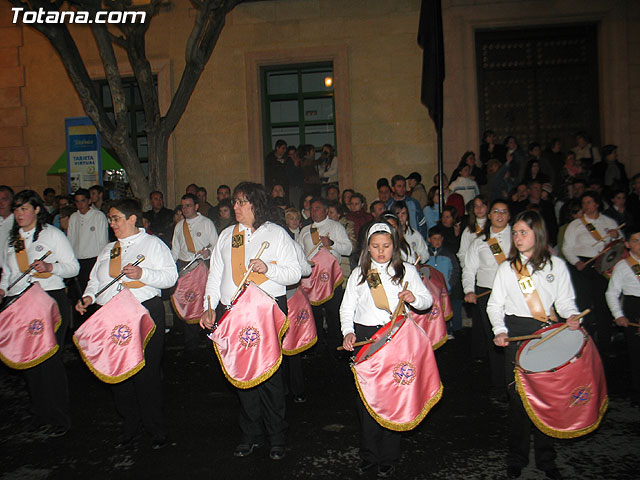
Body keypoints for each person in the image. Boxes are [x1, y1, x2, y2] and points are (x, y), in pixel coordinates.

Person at [200, 182, 301, 460]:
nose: (235, 207)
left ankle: (277, 437)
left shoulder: (276, 234)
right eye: (234, 202)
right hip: (233, 312)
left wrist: (268, 268)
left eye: (242, 202)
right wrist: (209, 308)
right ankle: (250, 434)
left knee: (270, 376)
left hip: (266, 311)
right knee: (241, 373)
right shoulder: (227, 235)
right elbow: (215, 275)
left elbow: (294, 274)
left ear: (257, 204)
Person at [76, 198, 178, 449]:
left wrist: (142, 274)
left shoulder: (153, 244)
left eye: (116, 218)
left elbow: (170, 277)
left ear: (132, 218)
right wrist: (89, 296)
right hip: (113, 316)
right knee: (119, 372)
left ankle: (155, 427)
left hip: (143, 313)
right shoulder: (109, 249)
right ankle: (129, 425)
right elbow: (96, 279)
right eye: (110, 219)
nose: (112, 224)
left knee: (146, 373)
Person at [487, 210, 581, 480]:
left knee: (546, 398)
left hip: (547, 335)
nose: (517, 237)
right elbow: (495, 305)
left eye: (523, 232)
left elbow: (565, 302)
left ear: (537, 234)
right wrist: (500, 330)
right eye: (515, 233)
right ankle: (516, 457)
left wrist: (571, 315)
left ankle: (546, 457)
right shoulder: (507, 268)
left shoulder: (556, 266)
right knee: (517, 399)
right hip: (517, 333)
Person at [340, 221, 432, 478]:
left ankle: (389, 456)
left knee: (393, 396)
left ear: (395, 246)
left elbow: (427, 301)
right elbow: (347, 308)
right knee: (367, 399)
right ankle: (369, 455)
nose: (381, 251)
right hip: (368, 338)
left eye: (386, 246)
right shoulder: (359, 273)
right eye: (376, 246)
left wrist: (415, 299)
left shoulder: (408, 272)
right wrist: (348, 331)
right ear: (368, 248)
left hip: (396, 337)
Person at [0, 190, 79, 436]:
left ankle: (59, 416)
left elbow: (72, 267)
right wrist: (2, 289)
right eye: (16, 209)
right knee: (29, 359)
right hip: (20, 302)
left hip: (48, 300)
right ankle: (40, 412)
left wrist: (49, 266)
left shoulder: (52, 235)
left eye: (24, 208)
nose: (19, 214)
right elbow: (6, 271)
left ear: (36, 209)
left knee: (49, 360)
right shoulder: (12, 239)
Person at [561, 191, 618, 355]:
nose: (585, 206)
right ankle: (583, 346)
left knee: (603, 306)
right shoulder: (576, 224)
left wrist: (615, 236)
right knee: (582, 306)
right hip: (582, 266)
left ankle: (605, 345)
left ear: (597, 204)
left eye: (589, 202)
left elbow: (620, 246)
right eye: (584, 203)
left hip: (603, 266)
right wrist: (576, 262)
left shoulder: (609, 222)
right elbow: (567, 247)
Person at [463, 199, 511, 386]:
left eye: (504, 211)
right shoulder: (480, 242)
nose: (500, 215)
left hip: (514, 294)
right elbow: (469, 269)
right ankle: (500, 385)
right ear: (489, 215)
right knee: (495, 338)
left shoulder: (518, 237)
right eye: (496, 211)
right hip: (487, 294)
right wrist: (469, 290)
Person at [299, 198, 352, 350]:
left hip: (331, 278)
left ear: (326, 210)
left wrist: (331, 243)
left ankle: (336, 345)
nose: (313, 211)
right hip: (311, 280)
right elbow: (300, 253)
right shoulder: (305, 230)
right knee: (314, 314)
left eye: (317, 208)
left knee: (333, 313)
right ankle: (317, 345)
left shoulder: (336, 227)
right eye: (311, 209)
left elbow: (348, 249)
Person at [171, 193, 218, 351]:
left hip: (201, 267)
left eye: (188, 205)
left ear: (196, 206)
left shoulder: (206, 223)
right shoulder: (179, 226)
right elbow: (175, 251)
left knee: (202, 301)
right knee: (187, 301)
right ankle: (190, 341)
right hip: (185, 268)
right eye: (183, 206)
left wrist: (208, 252)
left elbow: (216, 245)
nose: (185, 209)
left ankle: (206, 336)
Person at [605, 224, 640, 406]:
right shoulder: (623, 266)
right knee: (636, 353)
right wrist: (618, 314)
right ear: (627, 244)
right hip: (634, 308)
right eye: (636, 241)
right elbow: (611, 293)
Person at [67, 188, 109, 322]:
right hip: (78, 261)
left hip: (93, 260)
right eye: (77, 201)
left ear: (89, 201)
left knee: (92, 293)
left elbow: (102, 240)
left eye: (83, 201)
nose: (80, 205)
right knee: (78, 295)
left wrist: (102, 260)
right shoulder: (74, 217)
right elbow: (71, 239)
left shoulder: (98, 216)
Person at [391, 200, 429, 264]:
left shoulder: (415, 234)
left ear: (407, 215)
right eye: (397, 213)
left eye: (403, 213)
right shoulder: (389, 235)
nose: (401, 217)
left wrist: (419, 260)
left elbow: (425, 254)